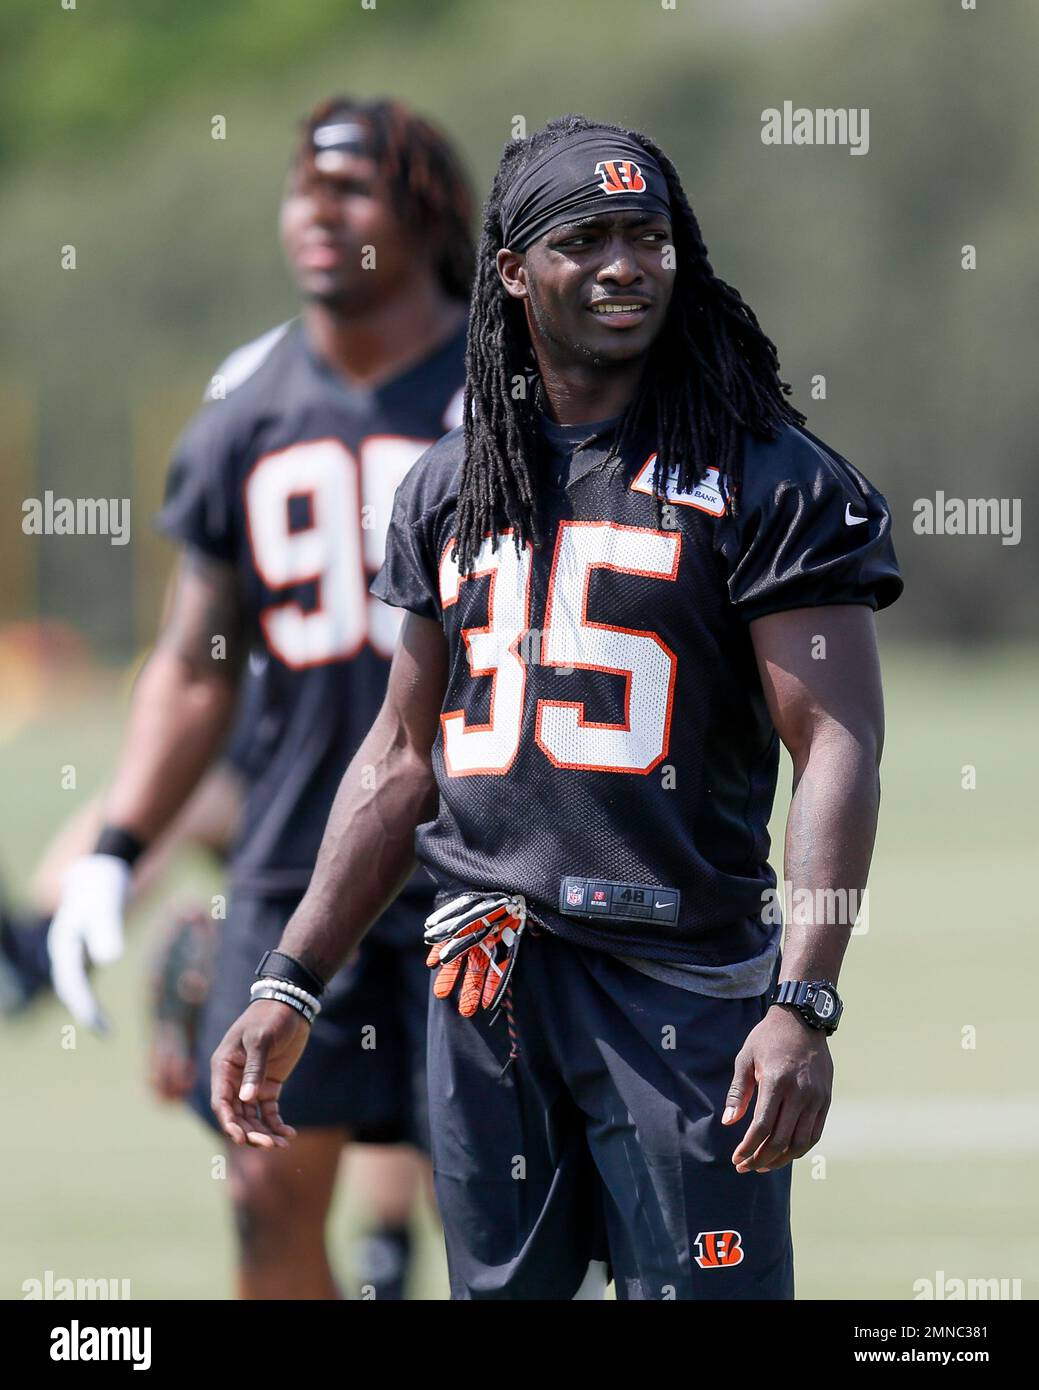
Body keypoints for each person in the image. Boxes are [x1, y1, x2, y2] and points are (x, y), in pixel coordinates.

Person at [211, 113, 903, 1301]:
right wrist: (290, 978)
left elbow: (835, 741)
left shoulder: (770, 474)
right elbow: (398, 757)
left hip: (679, 992)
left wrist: (803, 997)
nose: (624, 265)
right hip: (487, 986)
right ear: (513, 270)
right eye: (585, 239)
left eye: (648, 236)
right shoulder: (454, 479)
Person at [44, 95, 474, 1299]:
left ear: (424, 212)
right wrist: (116, 847)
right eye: (302, 189)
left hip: (480, 851)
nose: (315, 214)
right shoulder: (247, 400)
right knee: (261, 1191)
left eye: (351, 190)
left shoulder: (512, 389)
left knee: (496, 1213)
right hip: (300, 853)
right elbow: (195, 657)